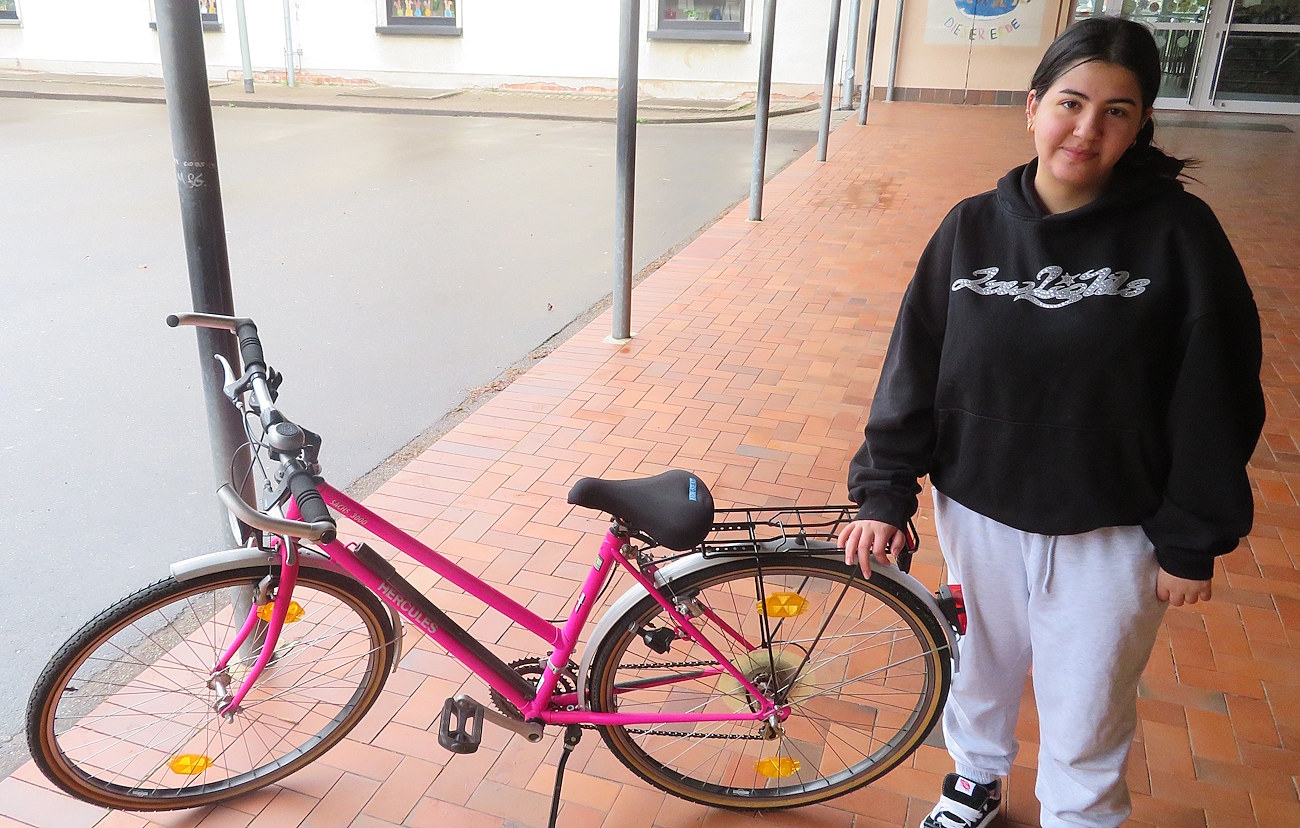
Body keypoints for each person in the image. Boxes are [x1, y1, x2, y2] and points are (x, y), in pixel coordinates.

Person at [837, 16, 1264, 828]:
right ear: (1033, 107)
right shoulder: (970, 227)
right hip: (978, 508)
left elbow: (1218, 394)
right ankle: (975, 778)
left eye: (1116, 111)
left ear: (1141, 125)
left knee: (1090, 691)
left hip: (1114, 526)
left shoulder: (1180, 237)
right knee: (979, 663)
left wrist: (1192, 535)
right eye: (1071, 102)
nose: (1087, 129)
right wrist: (883, 489)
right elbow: (914, 362)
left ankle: (1081, 813)